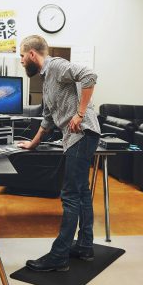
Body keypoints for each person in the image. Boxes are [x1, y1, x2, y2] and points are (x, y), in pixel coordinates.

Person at [18, 35, 101, 272]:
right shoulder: (46, 81)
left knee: (70, 195)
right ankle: (85, 247)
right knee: (82, 193)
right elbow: (47, 119)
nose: (22, 62)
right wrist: (32, 144)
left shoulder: (56, 66)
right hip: (78, 137)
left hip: (82, 134)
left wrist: (80, 113)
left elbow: (89, 75)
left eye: (22, 57)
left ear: (32, 54)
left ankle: (59, 256)